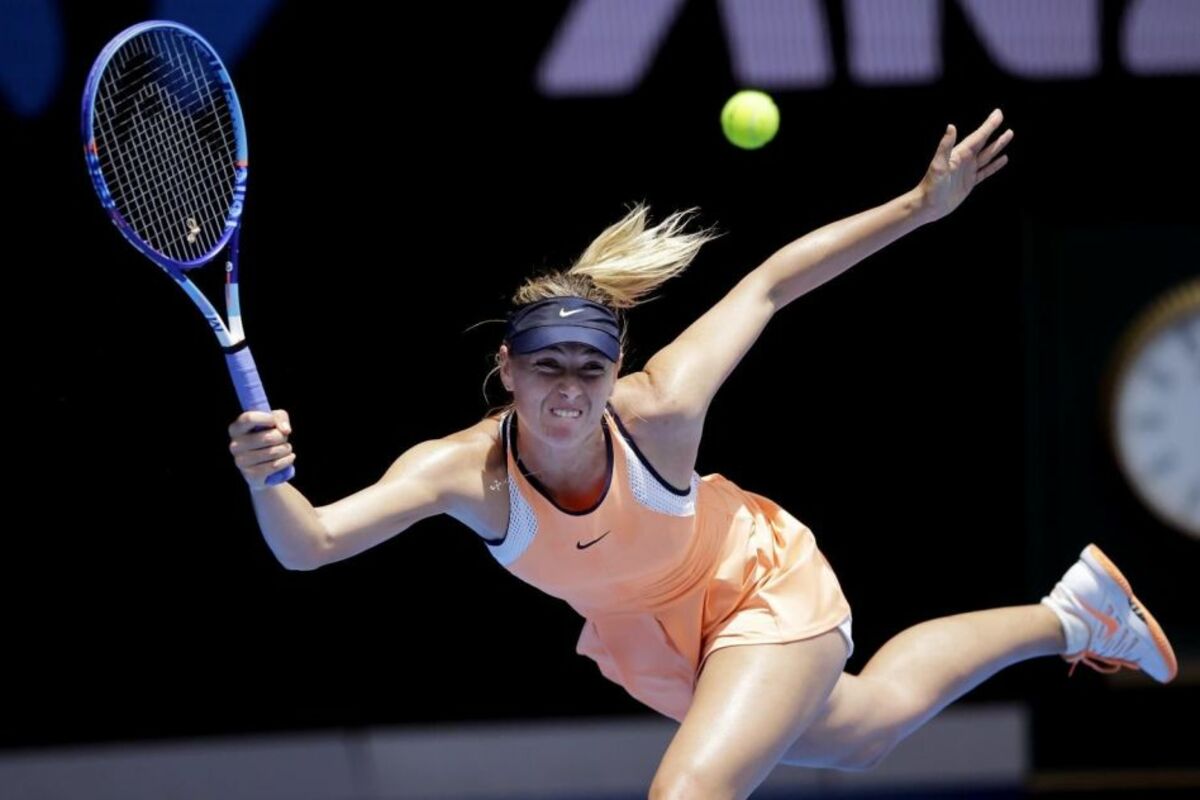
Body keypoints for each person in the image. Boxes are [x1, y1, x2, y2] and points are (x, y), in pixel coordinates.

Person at [227, 108, 1176, 800]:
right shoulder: (461, 474)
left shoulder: (661, 409)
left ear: (616, 372)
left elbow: (768, 285)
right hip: (659, 646)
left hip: (757, 590)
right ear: (506, 370)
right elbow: (310, 544)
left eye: (592, 369)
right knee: (867, 730)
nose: (570, 390)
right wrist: (269, 479)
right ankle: (1071, 614)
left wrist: (919, 208)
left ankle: (1071, 616)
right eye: (548, 367)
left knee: (688, 794)